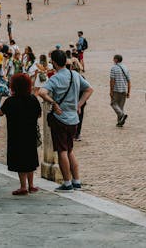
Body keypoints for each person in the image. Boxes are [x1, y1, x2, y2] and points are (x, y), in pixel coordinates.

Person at [37, 49, 93, 191]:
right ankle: (77, 181)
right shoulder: (75, 75)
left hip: (60, 118)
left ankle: (67, 183)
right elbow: (89, 89)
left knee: (62, 151)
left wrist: (53, 103)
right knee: (70, 150)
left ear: (54, 63)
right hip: (74, 118)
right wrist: (79, 104)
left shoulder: (55, 78)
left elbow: (41, 92)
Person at [0, 73, 41, 195]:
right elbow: (39, 114)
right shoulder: (33, 99)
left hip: (16, 134)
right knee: (30, 157)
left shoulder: (10, 101)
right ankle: (31, 185)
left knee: (20, 159)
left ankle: (23, 186)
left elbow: (0, 113)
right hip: (30, 133)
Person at [109, 54, 131, 127]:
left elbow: (112, 80)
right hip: (124, 90)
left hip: (116, 90)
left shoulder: (114, 68)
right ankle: (120, 122)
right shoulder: (126, 68)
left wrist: (111, 91)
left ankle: (122, 115)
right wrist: (128, 91)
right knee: (121, 107)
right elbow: (129, 81)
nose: (113, 60)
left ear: (116, 60)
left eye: (113, 59)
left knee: (113, 104)